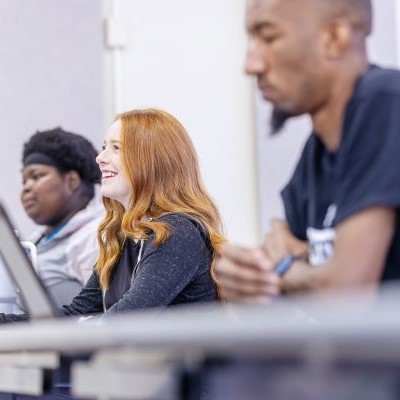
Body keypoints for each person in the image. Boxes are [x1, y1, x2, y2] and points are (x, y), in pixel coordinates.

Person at [216, 0, 400, 301]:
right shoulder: (316, 153)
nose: (252, 65)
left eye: (269, 38)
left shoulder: (386, 102)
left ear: (335, 37)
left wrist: (286, 272)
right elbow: (279, 258)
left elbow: (348, 294)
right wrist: (247, 277)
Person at [0, 108, 224, 323]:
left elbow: (124, 320)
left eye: (116, 148)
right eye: (104, 147)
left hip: (178, 362)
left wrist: (83, 324)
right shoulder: (125, 237)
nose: (100, 158)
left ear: (151, 160)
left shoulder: (177, 232)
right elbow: (77, 313)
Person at [19, 128, 104, 308]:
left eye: (36, 176)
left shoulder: (96, 235)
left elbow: (107, 311)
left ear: (72, 180)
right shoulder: (37, 239)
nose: (26, 187)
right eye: (24, 181)